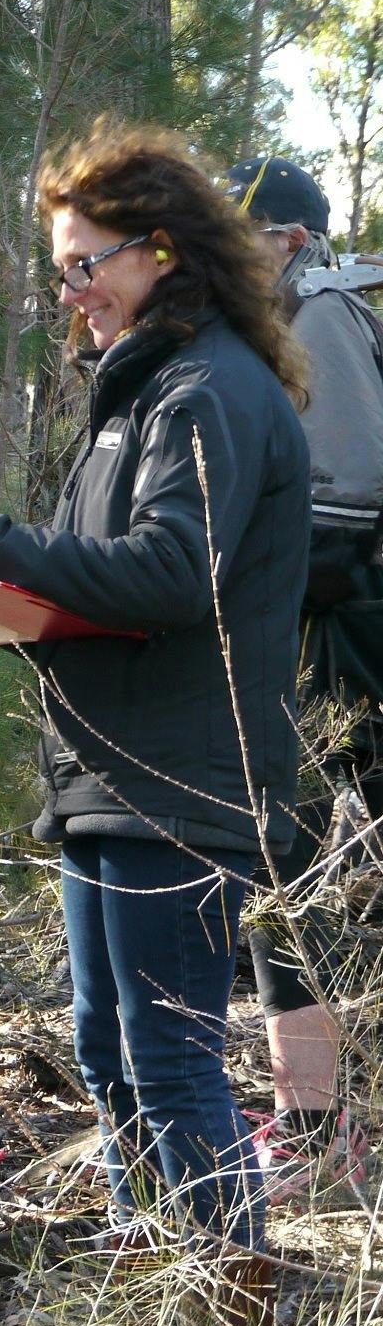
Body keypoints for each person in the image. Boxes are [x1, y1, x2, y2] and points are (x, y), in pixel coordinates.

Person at [0, 123, 311, 1257]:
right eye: (62, 271)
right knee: (109, 1051)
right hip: (109, 774)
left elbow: (174, 571)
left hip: (180, 781)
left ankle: (227, 1298)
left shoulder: (206, 390)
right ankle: (142, 1282)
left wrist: (1, 548)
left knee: (169, 1057)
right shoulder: (140, 392)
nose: (71, 293)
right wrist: (6, 606)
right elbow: (112, 581)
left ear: (160, 251)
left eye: (85, 264)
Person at [229, 156, 383, 1206]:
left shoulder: (319, 311)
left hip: (345, 646)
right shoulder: (287, 323)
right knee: (287, 879)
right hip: (330, 639)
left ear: (289, 240)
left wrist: (228, 585)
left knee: (287, 873)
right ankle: (318, 1126)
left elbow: (345, 512)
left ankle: (319, 1134)